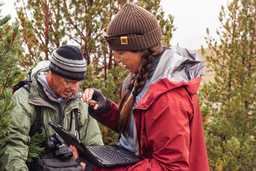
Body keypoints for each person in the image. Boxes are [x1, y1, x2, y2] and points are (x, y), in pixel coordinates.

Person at [81, 3, 209, 171]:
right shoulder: (138, 79)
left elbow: (170, 167)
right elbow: (137, 132)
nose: (117, 60)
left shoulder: (168, 99)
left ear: (141, 50)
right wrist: (104, 108)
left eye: (121, 53)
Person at [0, 45, 103, 171]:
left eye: (77, 82)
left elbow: (95, 148)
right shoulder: (25, 99)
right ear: (52, 72)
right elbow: (13, 149)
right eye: (68, 81)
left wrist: (84, 165)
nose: (74, 89)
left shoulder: (80, 104)